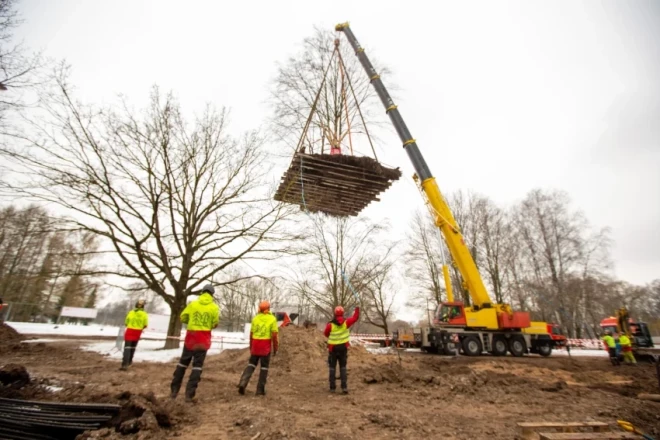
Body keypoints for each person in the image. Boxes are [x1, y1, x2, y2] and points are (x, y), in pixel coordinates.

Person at [170, 284, 220, 403]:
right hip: (203, 339)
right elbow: (215, 323)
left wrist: (191, 321)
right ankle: (189, 394)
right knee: (197, 366)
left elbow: (183, 317)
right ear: (212, 294)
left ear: (202, 292)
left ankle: (174, 391)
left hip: (191, 337)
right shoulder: (214, 307)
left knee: (182, 364)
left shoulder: (193, 304)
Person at [237, 301, 279, 396]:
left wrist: (251, 347)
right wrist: (275, 348)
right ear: (269, 309)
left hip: (255, 345)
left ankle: (243, 382)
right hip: (265, 347)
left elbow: (251, 335)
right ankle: (260, 390)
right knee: (264, 368)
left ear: (259, 309)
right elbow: (274, 336)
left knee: (251, 364)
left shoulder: (255, 319)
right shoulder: (272, 319)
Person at [323, 305, 360, 394]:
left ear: (335, 313)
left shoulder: (330, 325)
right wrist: (357, 309)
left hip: (333, 349)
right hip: (343, 348)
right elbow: (355, 318)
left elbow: (325, 334)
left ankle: (332, 388)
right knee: (343, 367)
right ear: (343, 313)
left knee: (332, 368)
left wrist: (332, 337)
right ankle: (344, 387)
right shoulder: (346, 322)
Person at [120, 299, 149, 370]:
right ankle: (129, 362)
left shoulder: (131, 312)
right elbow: (145, 324)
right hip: (138, 331)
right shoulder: (144, 314)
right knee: (133, 348)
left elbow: (126, 322)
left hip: (130, 330)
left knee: (127, 348)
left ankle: (124, 364)